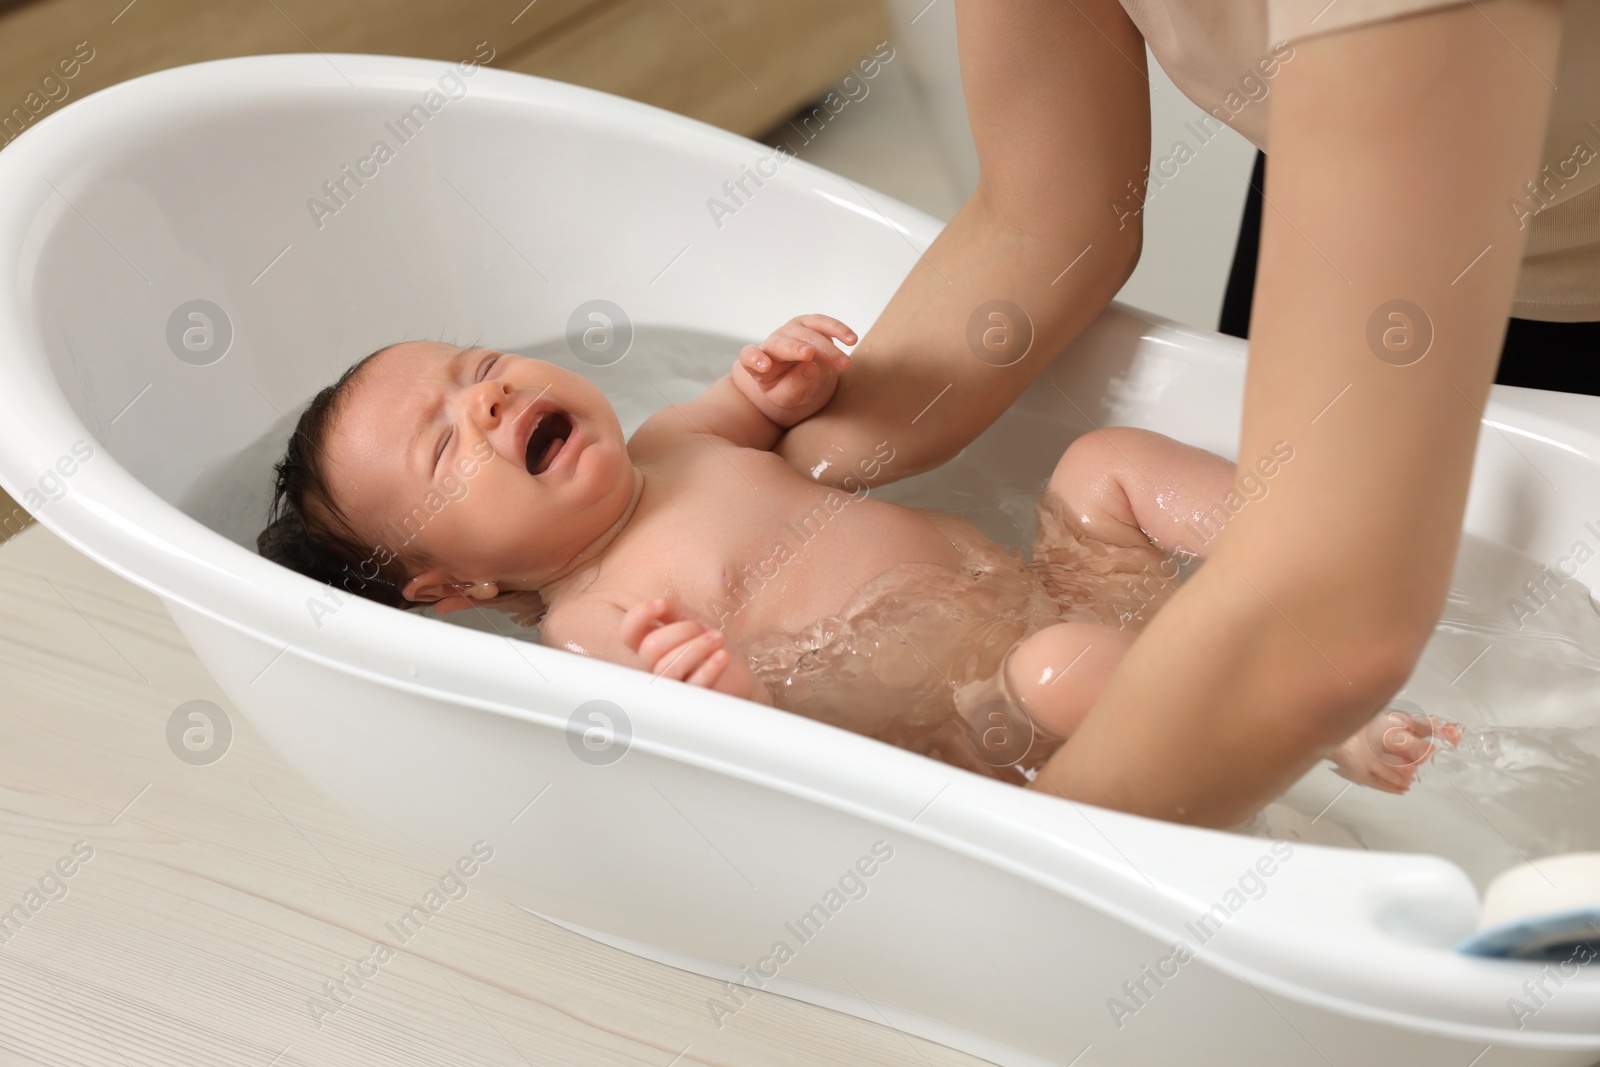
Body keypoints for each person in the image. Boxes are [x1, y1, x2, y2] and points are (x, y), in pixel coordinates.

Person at [766, 0, 1589, 826]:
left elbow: (1329, 611)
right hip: (1347, 178)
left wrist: (1001, 848)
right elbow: (1044, 219)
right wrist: (789, 466)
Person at [256, 319, 1450, 798]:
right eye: (440, 442)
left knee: (1104, 461)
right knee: (1062, 670)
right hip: (995, 718)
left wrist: (777, 379)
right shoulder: (595, 620)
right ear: (448, 585)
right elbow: (751, 767)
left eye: (479, 365)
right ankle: (1306, 712)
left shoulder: (678, 437)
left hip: (1043, 598)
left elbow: (750, 402)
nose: (490, 396)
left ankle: (1323, 562)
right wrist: (723, 702)